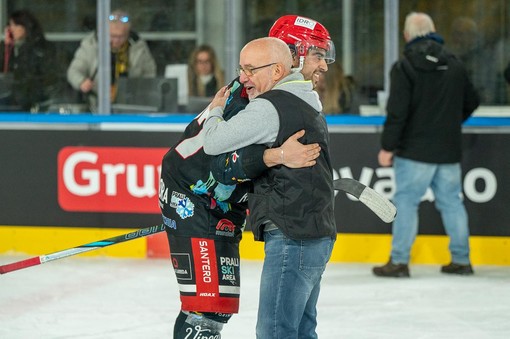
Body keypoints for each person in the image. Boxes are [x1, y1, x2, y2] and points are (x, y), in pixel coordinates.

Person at [158, 18, 327, 337]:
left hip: (220, 198)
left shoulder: (286, 95)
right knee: (205, 311)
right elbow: (222, 161)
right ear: (293, 55)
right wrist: (277, 157)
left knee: (217, 308)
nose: (324, 65)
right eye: (317, 54)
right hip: (195, 195)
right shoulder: (254, 96)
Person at [203, 36, 337, 338]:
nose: (242, 78)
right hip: (312, 233)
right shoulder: (305, 97)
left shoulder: (269, 106)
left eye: (250, 69)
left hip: (293, 235)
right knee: (300, 331)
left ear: (277, 71)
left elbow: (213, 142)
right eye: (241, 68)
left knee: (275, 332)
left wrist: (215, 110)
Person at [372, 12, 480, 278]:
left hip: (414, 152)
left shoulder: (405, 66)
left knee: (407, 203)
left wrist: (388, 147)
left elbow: (397, 112)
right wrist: (450, 122)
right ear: (433, 31)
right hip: (447, 151)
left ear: (407, 36)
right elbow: (473, 100)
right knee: (452, 203)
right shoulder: (454, 64)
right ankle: (462, 260)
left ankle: (399, 262)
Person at [66, 9, 156, 112]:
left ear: (128, 34)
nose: (116, 40)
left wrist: (140, 90)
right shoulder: (90, 45)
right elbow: (73, 71)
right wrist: (81, 82)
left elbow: (150, 73)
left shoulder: (138, 48)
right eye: (112, 36)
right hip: (95, 104)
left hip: (131, 104)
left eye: (121, 37)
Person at [0, 9, 58, 112]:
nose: (11, 29)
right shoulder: (10, 48)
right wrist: (6, 48)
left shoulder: (39, 48)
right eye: (10, 26)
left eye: (16, 25)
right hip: (12, 100)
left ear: (26, 27)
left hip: (32, 100)